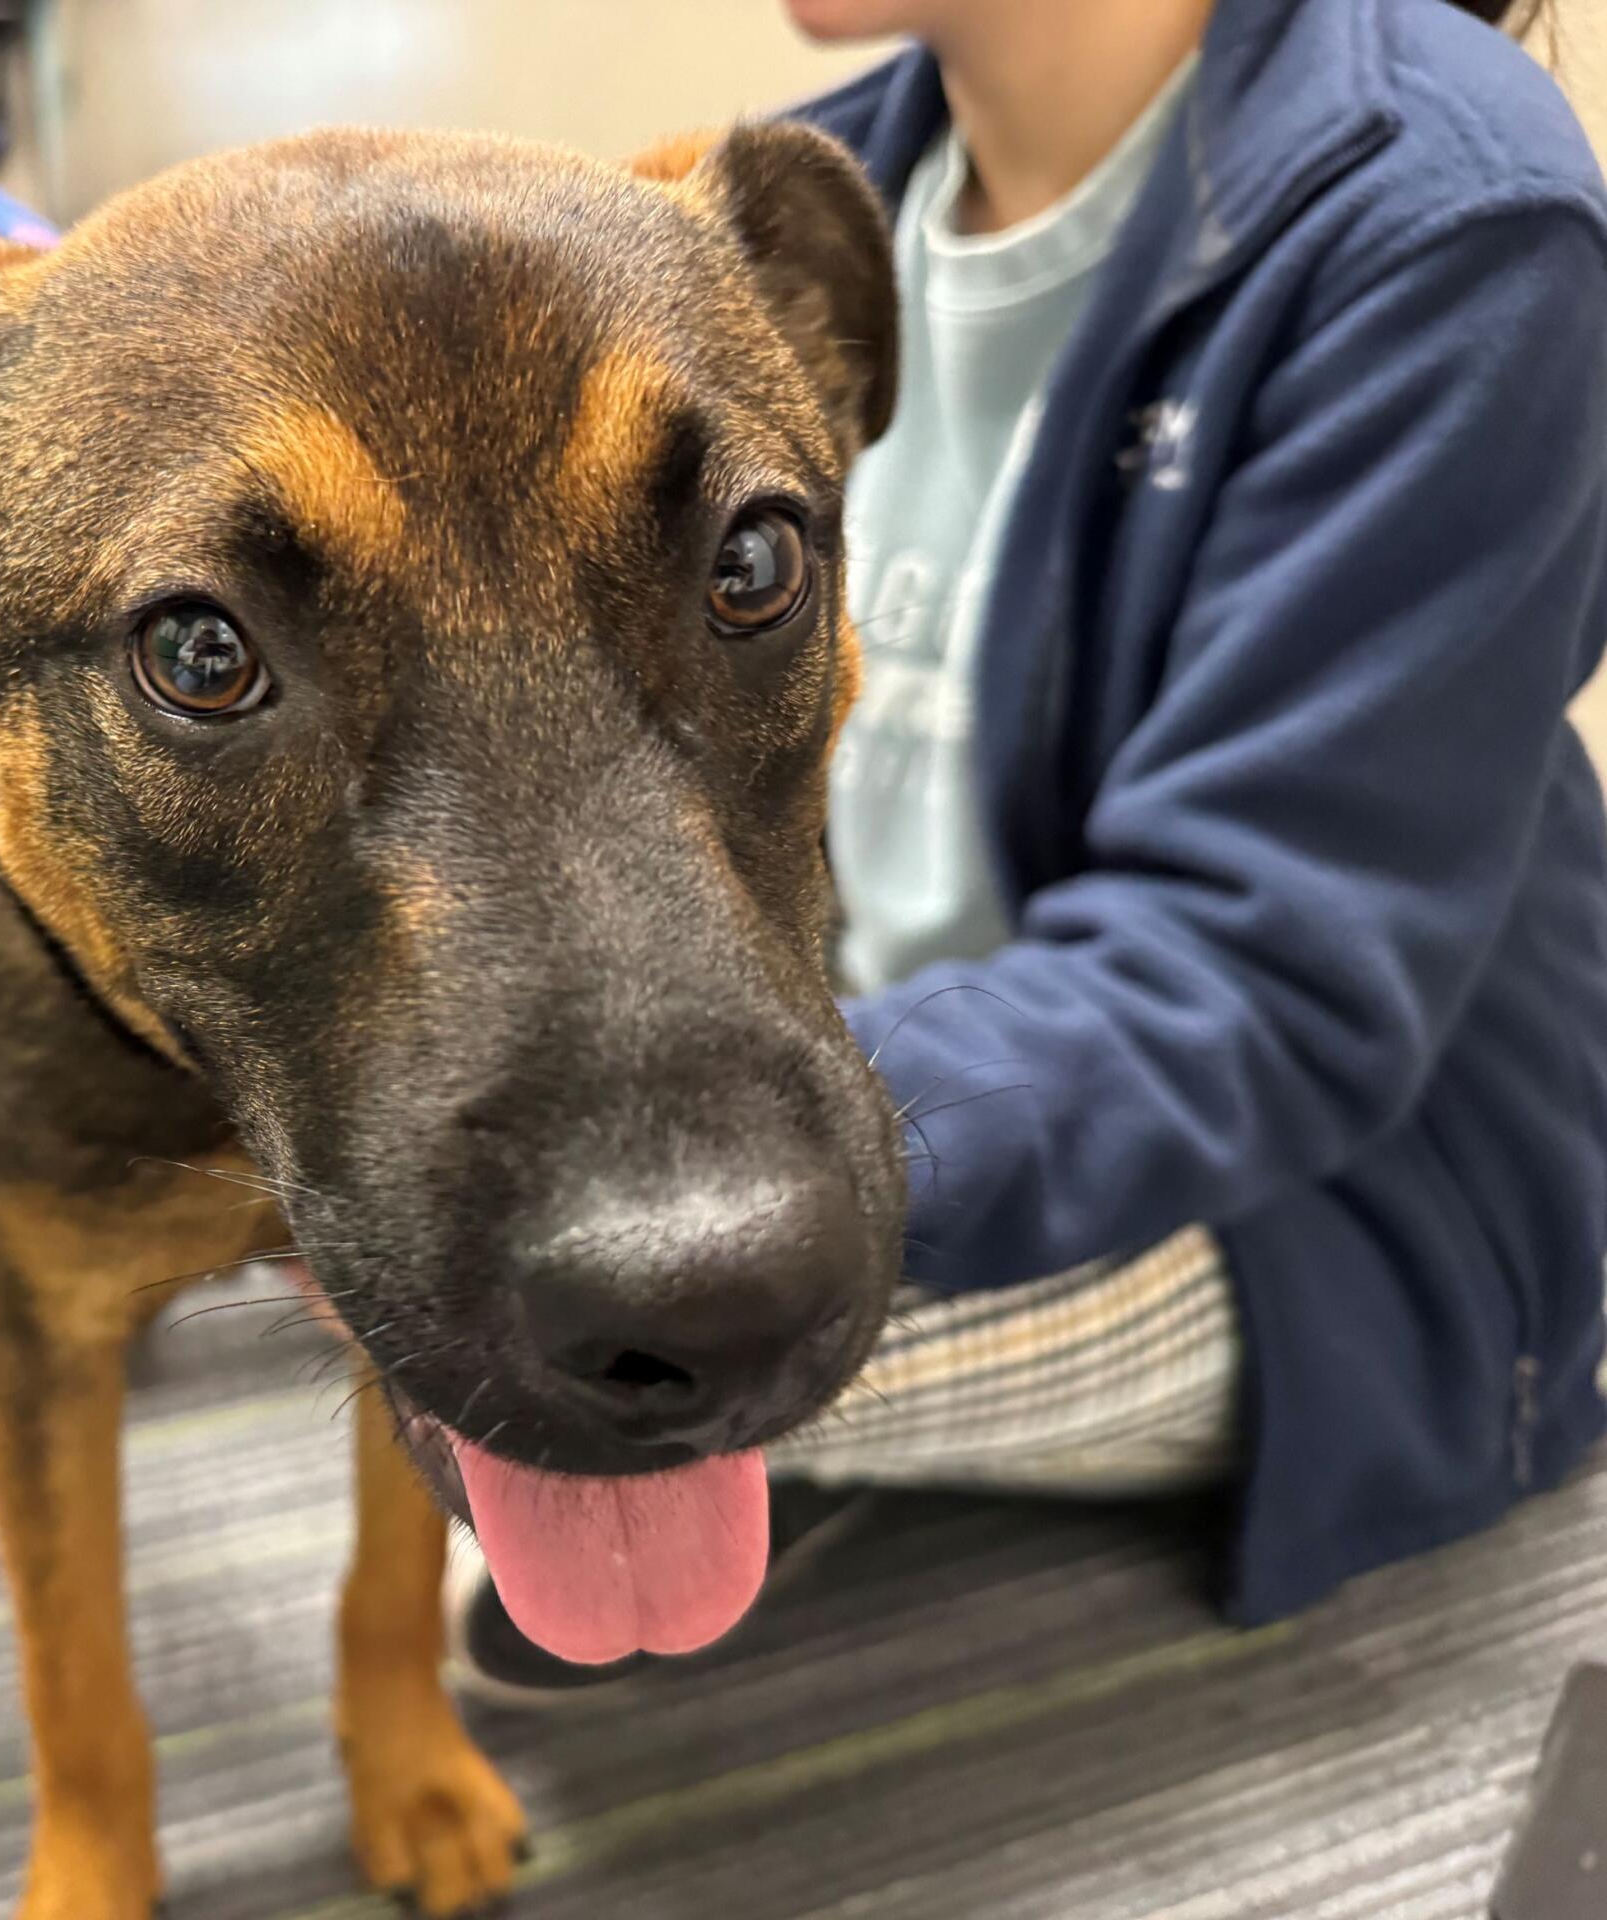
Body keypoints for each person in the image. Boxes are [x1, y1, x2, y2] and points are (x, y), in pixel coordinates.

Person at [449, 0, 1607, 1698]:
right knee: (454, 1271)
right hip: (871, 1044)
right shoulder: (798, 191)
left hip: (1326, 1201)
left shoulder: (1455, 218)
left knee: (520, 1344)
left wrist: (716, 1165)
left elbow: (1265, 982)